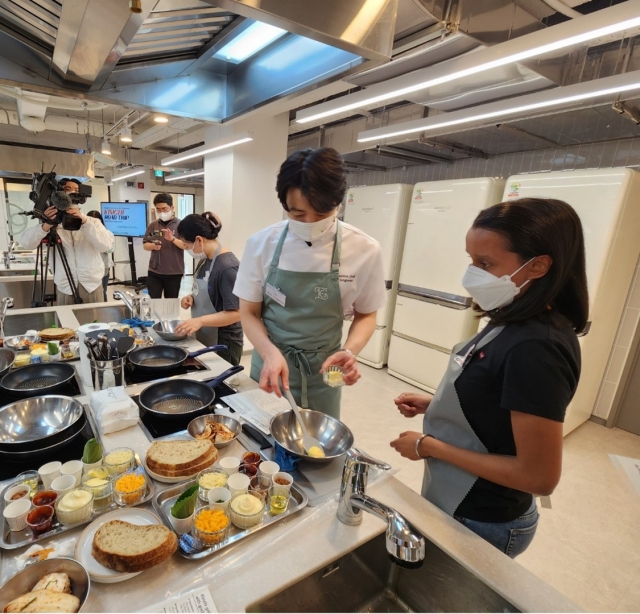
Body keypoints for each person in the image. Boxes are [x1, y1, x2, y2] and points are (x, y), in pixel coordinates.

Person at [390, 198, 587, 558]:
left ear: (538, 266)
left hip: (484, 519)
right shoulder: (512, 318)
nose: (472, 274)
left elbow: (538, 477)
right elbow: (501, 404)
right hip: (460, 499)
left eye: (485, 263)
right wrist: (435, 405)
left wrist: (427, 446)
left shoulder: (537, 348)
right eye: (471, 259)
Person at [234, 147, 386, 419]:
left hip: (326, 370)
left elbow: (367, 314)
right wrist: (269, 353)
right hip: (271, 364)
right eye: (298, 214)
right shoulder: (261, 244)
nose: (310, 223)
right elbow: (249, 312)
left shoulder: (365, 249)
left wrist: (350, 351)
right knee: (263, 444)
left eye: (322, 212)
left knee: (317, 448)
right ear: (284, 205)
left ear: (339, 202)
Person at [20, 178, 115, 305]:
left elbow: (105, 246)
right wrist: (46, 224)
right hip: (66, 287)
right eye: (67, 190)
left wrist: (84, 222)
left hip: (92, 285)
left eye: (76, 190)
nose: (72, 194)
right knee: (66, 324)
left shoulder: (93, 222)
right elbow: (27, 243)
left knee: (95, 322)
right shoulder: (51, 223)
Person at [174, 213, 244, 366]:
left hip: (224, 342)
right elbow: (211, 292)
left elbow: (237, 313)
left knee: (222, 385)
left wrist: (200, 320)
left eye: (186, 246)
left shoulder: (227, 267)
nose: (187, 250)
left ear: (199, 239)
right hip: (206, 334)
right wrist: (192, 297)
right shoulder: (205, 259)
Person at [143, 193, 187, 298]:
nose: (161, 212)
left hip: (174, 272)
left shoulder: (181, 225)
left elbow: (186, 246)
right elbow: (145, 244)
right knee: (154, 303)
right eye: (158, 210)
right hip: (155, 271)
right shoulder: (153, 225)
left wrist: (172, 239)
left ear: (172, 207)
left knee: (170, 306)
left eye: (164, 209)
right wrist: (153, 246)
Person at [86, 210, 113, 302]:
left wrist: (99, 242)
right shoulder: (85, 234)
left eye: (97, 221)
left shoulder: (108, 233)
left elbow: (110, 249)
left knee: (102, 290)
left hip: (104, 265)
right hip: (90, 267)